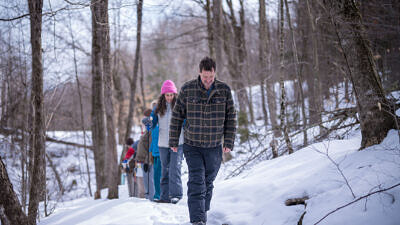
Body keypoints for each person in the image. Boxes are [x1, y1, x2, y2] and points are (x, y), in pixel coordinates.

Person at [169, 57, 237, 225]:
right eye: (205, 77)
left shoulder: (224, 90)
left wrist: (228, 141)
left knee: (208, 181)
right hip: (192, 145)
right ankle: (198, 220)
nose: (208, 80)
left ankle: (202, 210)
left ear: (215, 73)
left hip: (214, 146)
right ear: (199, 73)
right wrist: (173, 140)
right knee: (196, 181)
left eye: (211, 77)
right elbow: (177, 117)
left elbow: (231, 118)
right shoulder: (187, 89)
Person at [151, 80, 184, 204]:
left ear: (175, 94)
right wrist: (148, 122)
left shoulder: (180, 106)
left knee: (174, 169)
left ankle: (176, 194)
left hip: (178, 142)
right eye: (167, 95)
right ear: (163, 95)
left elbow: (185, 122)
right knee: (165, 169)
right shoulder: (158, 108)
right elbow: (152, 123)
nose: (169, 97)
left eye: (171, 95)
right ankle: (164, 196)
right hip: (163, 144)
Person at [136, 112, 155, 201]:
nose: (143, 125)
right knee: (146, 180)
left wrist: (147, 161)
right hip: (143, 160)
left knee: (149, 180)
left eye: (144, 124)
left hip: (147, 161)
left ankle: (151, 198)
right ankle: (148, 197)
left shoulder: (150, 133)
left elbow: (150, 148)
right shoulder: (146, 132)